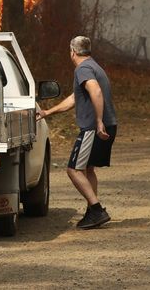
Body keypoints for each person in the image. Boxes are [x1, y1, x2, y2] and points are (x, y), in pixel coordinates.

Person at [38, 36, 117, 229]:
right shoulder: (93, 66)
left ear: (72, 52)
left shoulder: (82, 69)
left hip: (94, 127)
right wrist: (48, 112)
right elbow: (75, 98)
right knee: (88, 167)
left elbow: (95, 92)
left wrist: (98, 122)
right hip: (108, 124)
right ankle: (92, 211)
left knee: (73, 169)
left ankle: (97, 209)